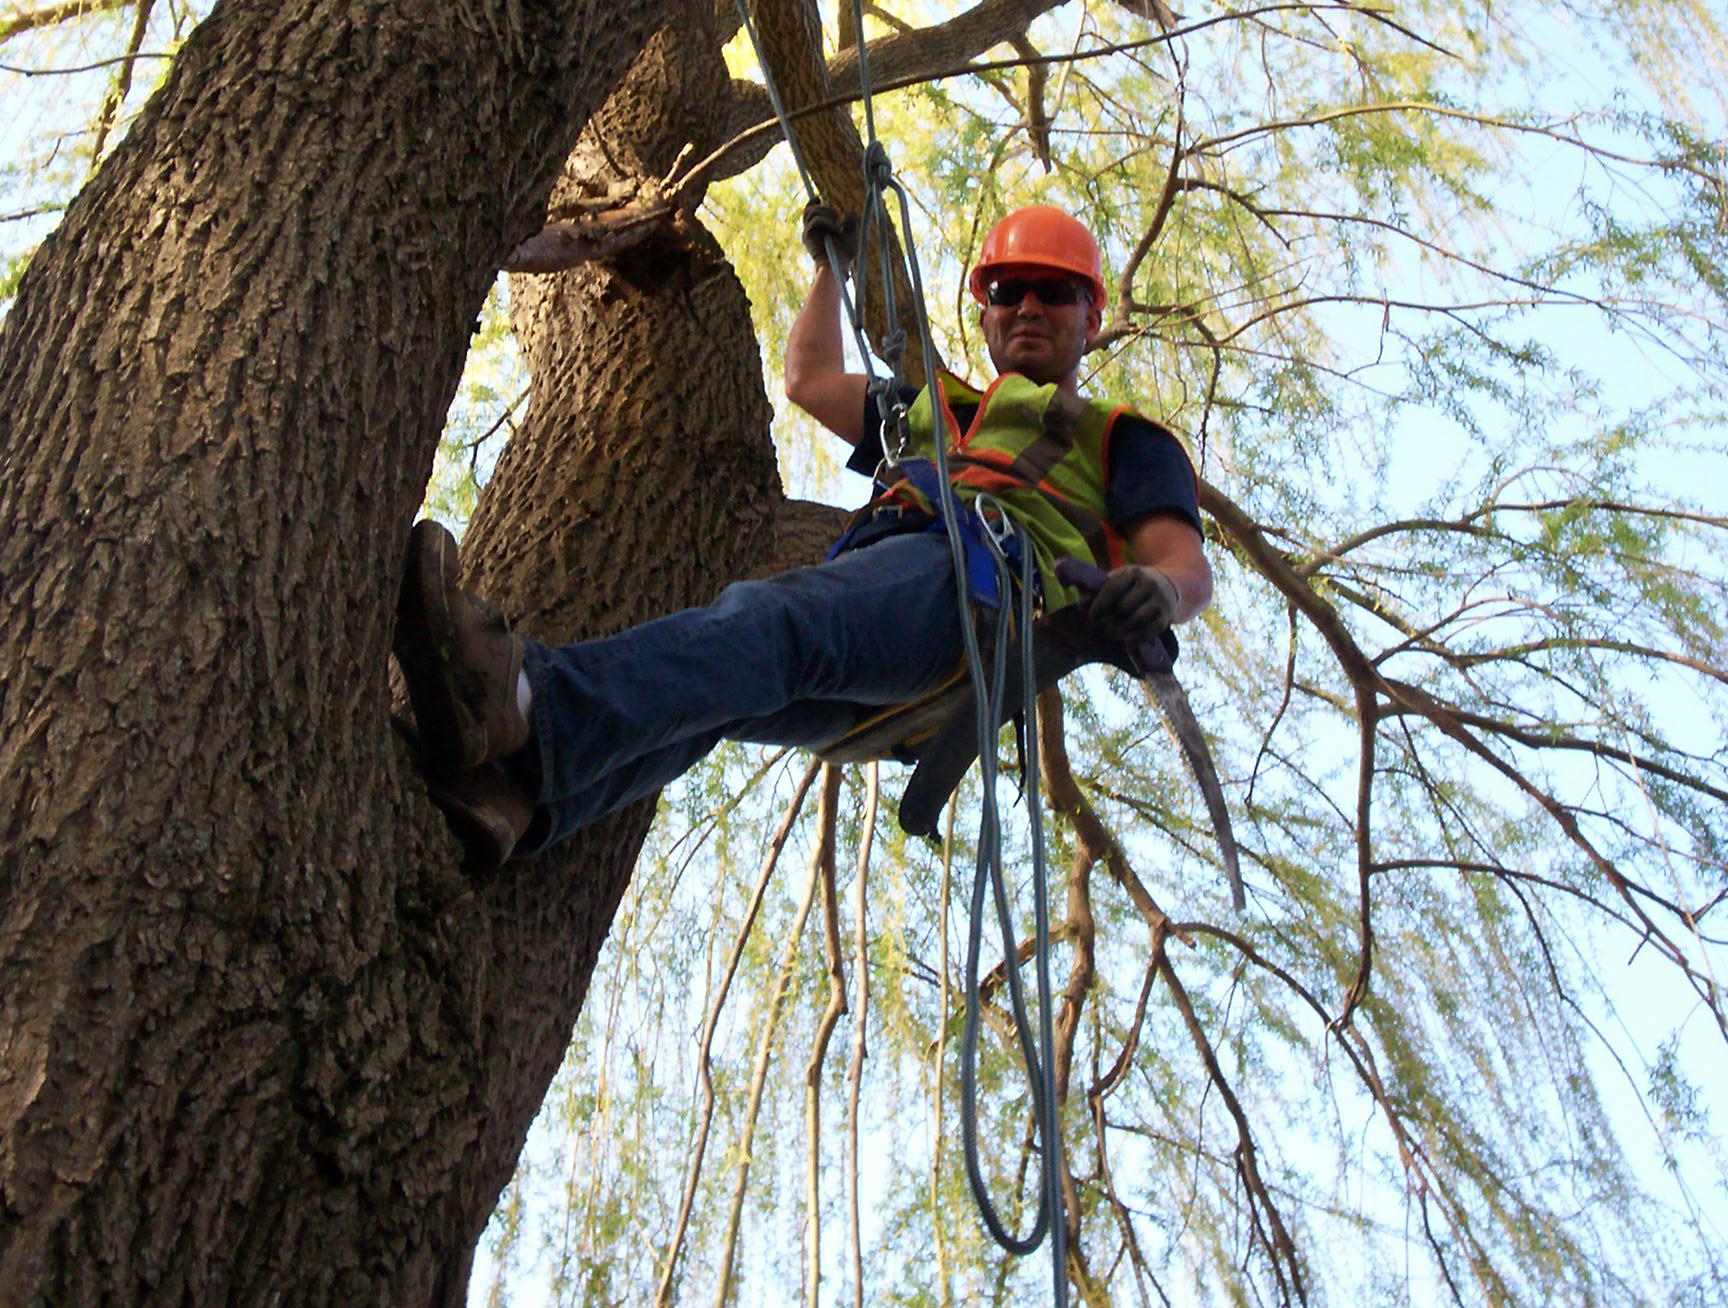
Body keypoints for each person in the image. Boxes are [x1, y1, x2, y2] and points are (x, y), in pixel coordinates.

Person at [393, 204, 1212, 875]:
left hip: (972, 590)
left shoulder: (1122, 436)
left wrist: (1160, 594)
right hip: (911, 665)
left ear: (1091, 314)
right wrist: (832, 266)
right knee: (722, 693)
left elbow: (1183, 563)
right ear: (986, 308)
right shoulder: (942, 409)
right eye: (1007, 289)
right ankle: (520, 804)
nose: (1027, 306)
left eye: (1053, 291)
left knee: (769, 624)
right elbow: (810, 380)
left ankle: (526, 697)